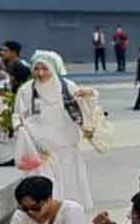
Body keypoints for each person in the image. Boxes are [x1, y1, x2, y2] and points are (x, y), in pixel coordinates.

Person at [12, 50, 94, 211]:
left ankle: (68, 217)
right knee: (44, 187)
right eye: (36, 69)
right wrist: (19, 127)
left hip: (66, 148)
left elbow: (85, 111)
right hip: (40, 151)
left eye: (45, 68)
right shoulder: (26, 90)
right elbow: (18, 114)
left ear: (54, 68)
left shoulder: (68, 87)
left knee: (69, 185)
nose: (40, 73)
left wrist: (89, 97)